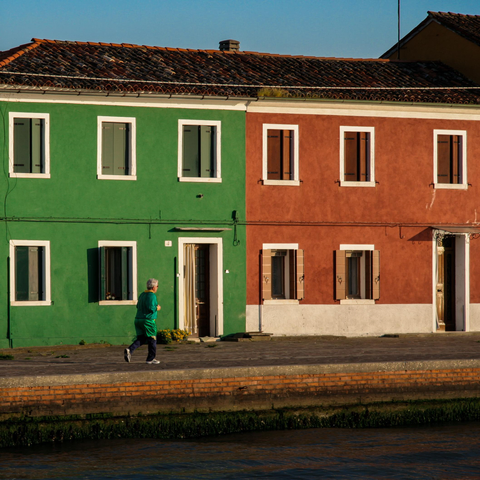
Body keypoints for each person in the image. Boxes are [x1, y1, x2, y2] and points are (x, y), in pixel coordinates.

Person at [124, 278, 161, 365]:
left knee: (142, 338)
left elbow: (138, 306)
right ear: (153, 287)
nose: (157, 288)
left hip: (138, 319)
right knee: (152, 339)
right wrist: (157, 308)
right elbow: (151, 308)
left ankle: (130, 349)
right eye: (157, 286)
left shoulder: (142, 295)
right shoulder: (152, 296)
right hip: (148, 320)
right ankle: (150, 359)